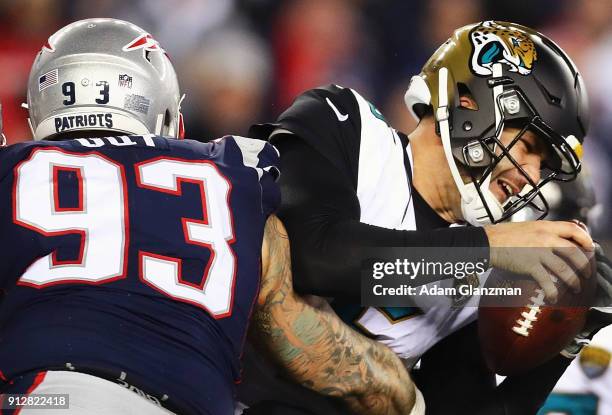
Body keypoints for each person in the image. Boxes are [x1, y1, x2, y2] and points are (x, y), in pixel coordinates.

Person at [0, 19, 421, 415]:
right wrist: (403, 393)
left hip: (46, 398)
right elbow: (307, 345)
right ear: (163, 108)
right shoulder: (232, 173)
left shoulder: (13, 170)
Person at [244, 20, 612, 413]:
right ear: (472, 102)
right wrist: (485, 249)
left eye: (545, 165)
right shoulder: (349, 125)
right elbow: (313, 255)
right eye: (531, 146)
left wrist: (568, 335)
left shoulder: (486, 264)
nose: (532, 177)